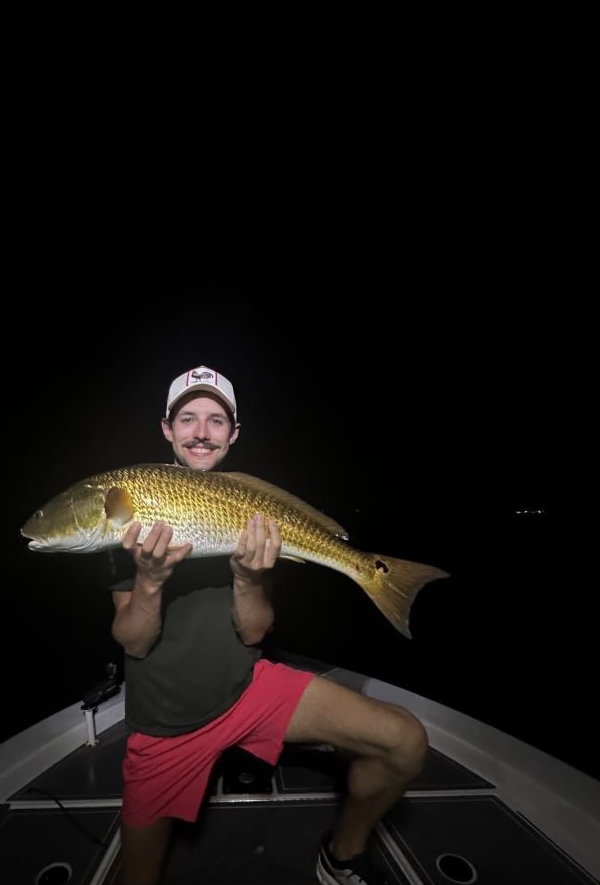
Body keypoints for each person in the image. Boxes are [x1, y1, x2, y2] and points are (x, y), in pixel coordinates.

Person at [110, 365, 428, 885]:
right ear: (167, 429)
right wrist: (149, 579)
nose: (201, 432)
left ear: (232, 436)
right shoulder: (130, 513)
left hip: (247, 688)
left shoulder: (253, 509)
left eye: (216, 421)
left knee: (406, 740)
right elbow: (135, 641)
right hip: (165, 722)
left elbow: (255, 632)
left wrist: (247, 576)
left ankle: (342, 855)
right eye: (187, 418)